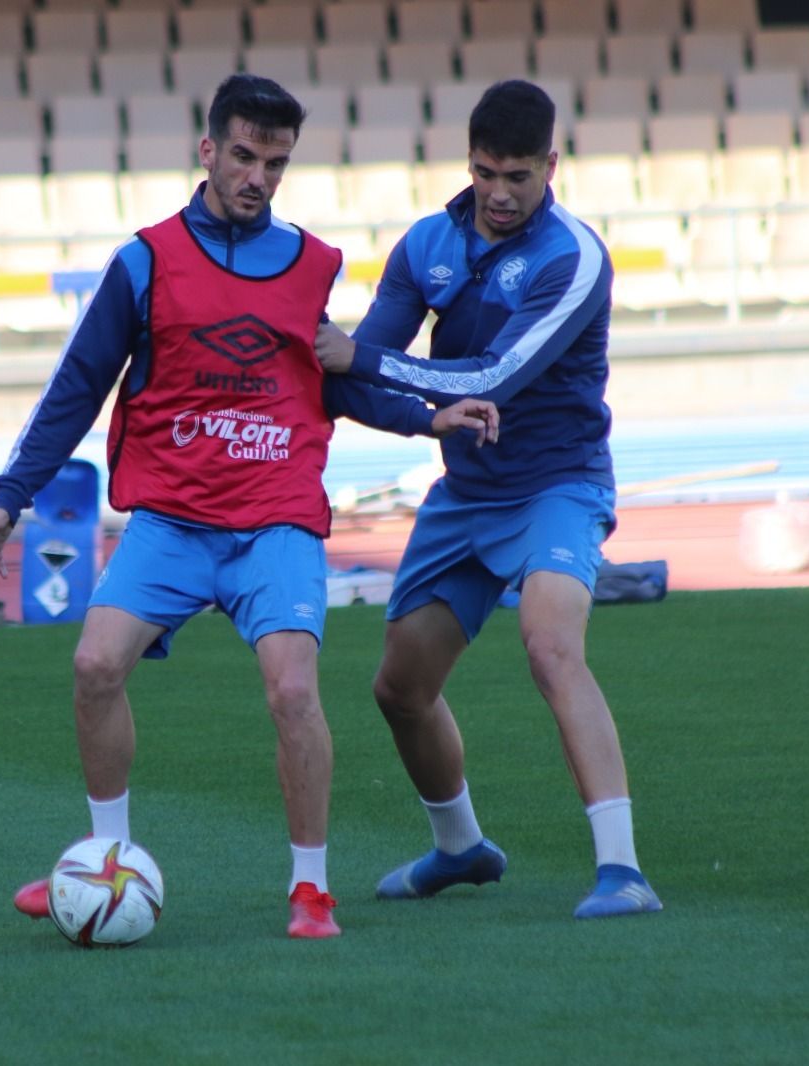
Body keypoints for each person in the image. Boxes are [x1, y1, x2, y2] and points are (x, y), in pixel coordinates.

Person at [0, 74, 500, 940]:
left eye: (277, 162)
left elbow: (337, 382)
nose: (259, 176)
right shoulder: (144, 261)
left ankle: (311, 891)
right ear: (209, 149)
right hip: (172, 520)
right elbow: (79, 385)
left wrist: (424, 415)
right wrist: (10, 496)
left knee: (293, 690)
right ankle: (109, 863)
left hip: (275, 519)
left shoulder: (310, 264)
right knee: (95, 666)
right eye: (246, 156)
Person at [313, 79, 662, 919]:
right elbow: (350, 388)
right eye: (484, 174)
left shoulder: (572, 258)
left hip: (558, 485)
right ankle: (461, 848)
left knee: (550, 647)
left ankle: (623, 872)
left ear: (551, 164)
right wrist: (414, 412)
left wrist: (355, 359)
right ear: (466, 162)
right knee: (399, 689)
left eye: (518, 177)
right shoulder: (426, 242)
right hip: (466, 493)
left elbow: (488, 377)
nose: (499, 195)